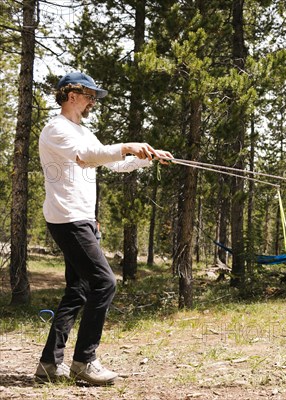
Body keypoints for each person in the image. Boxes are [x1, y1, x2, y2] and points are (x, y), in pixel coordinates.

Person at [34, 71, 173, 386]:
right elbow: (85, 157)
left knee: (78, 290)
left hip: (81, 218)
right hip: (67, 218)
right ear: (72, 95)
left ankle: (48, 363)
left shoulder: (84, 131)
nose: (93, 101)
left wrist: (147, 158)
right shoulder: (56, 129)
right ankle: (84, 361)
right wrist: (126, 145)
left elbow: (113, 163)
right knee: (105, 283)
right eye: (89, 95)